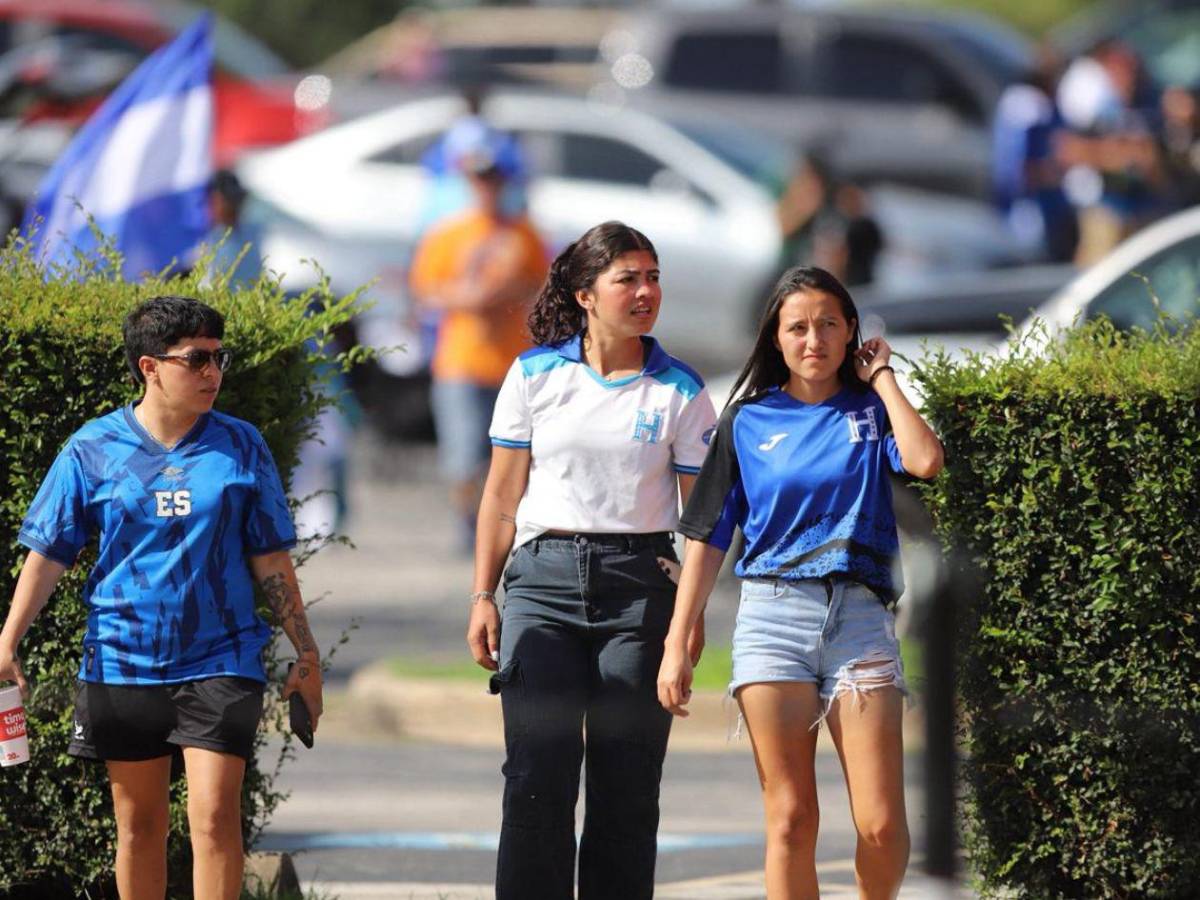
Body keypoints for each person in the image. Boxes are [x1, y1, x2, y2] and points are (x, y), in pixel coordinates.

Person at [0, 296, 323, 900]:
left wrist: (306, 653)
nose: (213, 373)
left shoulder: (241, 446)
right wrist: (7, 638)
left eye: (219, 358)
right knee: (139, 827)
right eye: (196, 359)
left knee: (214, 818)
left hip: (222, 657)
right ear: (149, 367)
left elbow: (272, 560)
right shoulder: (91, 449)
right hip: (122, 659)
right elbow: (49, 553)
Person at [657, 266, 943, 898]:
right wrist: (679, 640)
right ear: (776, 339)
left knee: (882, 824)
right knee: (790, 819)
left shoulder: (872, 410)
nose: (813, 339)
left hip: (861, 620)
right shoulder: (746, 421)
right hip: (771, 619)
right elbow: (706, 536)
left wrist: (886, 377)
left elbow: (925, 461)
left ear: (851, 336)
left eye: (828, 325)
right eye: (798, 327)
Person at [467, 221, 716, 899]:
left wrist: (687, 622)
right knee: (535, 776)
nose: (645, 292)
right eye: (628, 278)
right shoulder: (534, 374)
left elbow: (703, 523)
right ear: (585, 293)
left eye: (654, 277)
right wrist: (484, 595)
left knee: (627, 781)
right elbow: (501, 495)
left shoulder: (681, 391)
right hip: (541, 582)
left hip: (640, 591)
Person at [409, 123, 547, 554]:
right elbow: (424, 291)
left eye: (494, 177)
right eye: (479, 177)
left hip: (514, 363)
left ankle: (505, 527)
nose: (487, 186)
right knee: (464, 456)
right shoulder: (449, 233)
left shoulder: (524, 234)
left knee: (509, 458)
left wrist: (506, 292)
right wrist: (467, 296)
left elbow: (543, 287)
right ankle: (468, 529)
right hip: (462, 363)